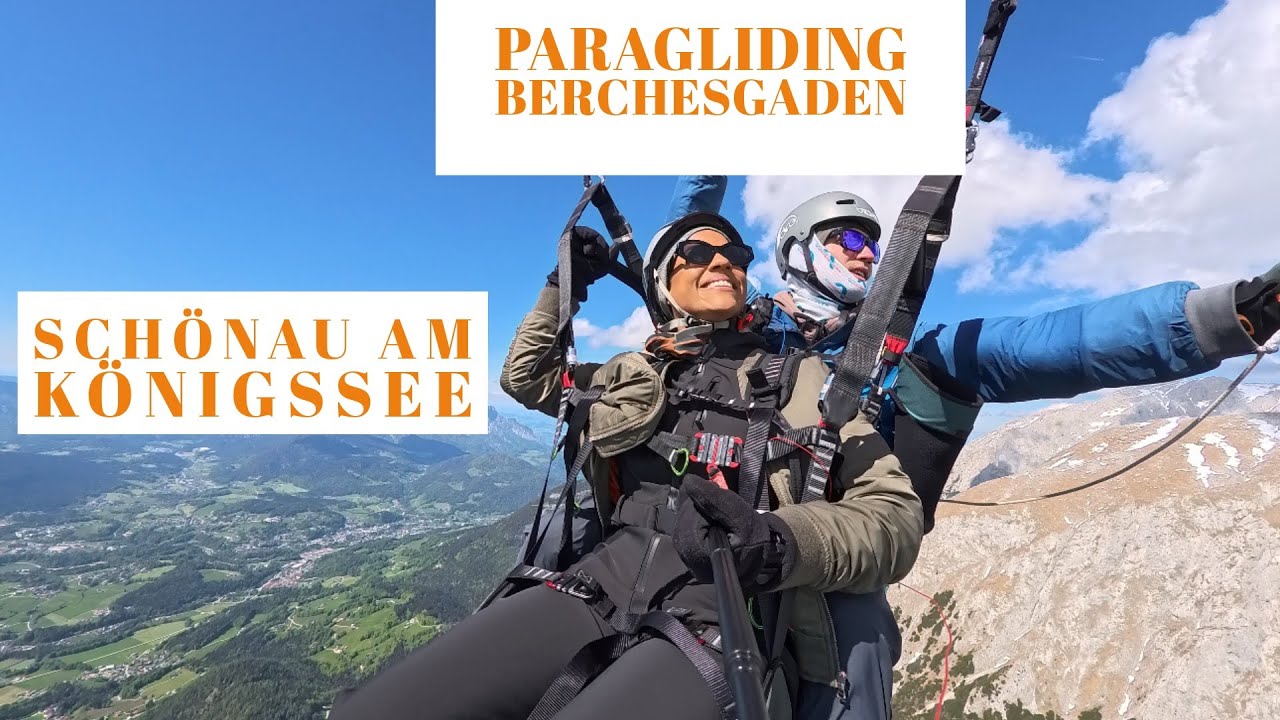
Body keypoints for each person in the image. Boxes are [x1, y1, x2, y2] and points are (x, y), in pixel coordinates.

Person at [665, 174, 1280, 720]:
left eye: (872, 244)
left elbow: (1044, 342)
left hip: (840, 565)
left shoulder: (905, 354)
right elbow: (682, 244)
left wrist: (1225, 316)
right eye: (846, 240)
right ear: (797, 252)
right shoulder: (738, 328)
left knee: (860, 642)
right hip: (722, 539)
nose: (866, 255)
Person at [329, 212, 925, 719]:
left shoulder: (805, 383)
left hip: (716, 614)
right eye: (697, 252)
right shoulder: (630, 375)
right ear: (665, 284)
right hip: (594, 585)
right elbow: (524, 377)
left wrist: (779, 543)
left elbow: (895, 515)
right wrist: (563, 288)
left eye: (735, 254)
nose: (723, 263)